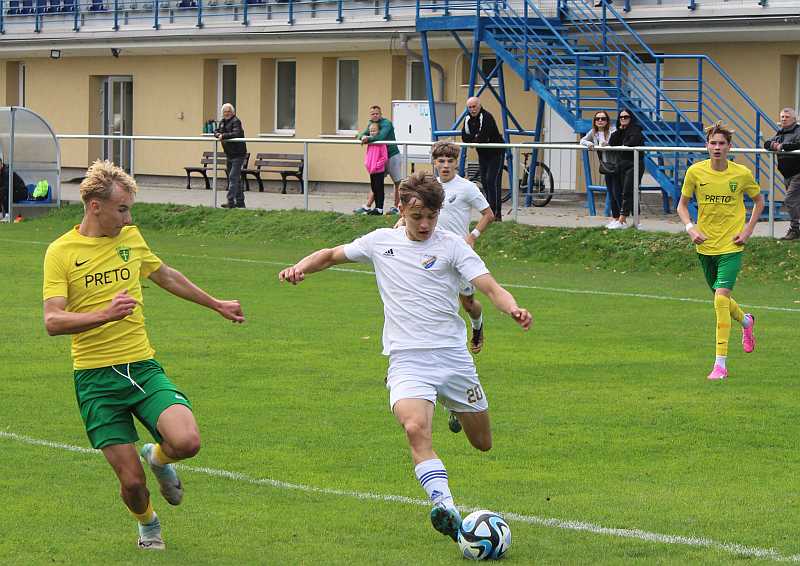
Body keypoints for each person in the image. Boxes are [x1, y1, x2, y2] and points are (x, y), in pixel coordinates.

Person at [278, 171, 531, 542]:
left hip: (453, 357)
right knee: (415, 428)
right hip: (408, 358)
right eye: (417, 217)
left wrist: (513, 309)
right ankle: (446, 506)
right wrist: (300, 267)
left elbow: (489, 288)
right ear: (401, 209)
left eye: (431, 216)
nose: (425, 224)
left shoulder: (453, 246)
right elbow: (331, 255)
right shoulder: (380, 242)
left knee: (482, 443)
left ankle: (449, 403)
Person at [42, 160, 245, 550]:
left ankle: (159, 456)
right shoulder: (61, 252)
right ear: (94, 206)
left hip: (141, 367)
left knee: (187, 442)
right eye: (122, 209)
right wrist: (105, 314)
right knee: (132, 483)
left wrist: (214, 303)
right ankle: (148, 524)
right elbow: (53, 320)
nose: (128, 216)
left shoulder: (131, 238)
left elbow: (164, 274)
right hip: (95, 379)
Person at [676, 123, 764, 380]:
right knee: (721, 299)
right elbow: (682, 205)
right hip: (705, 245)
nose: (717, 147)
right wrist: (690, 227)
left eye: (721, 144)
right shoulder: (695, 172)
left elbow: (759, 201)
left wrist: (747, 231)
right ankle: (746, 322)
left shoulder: (741, 174)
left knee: (719, 300)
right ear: (707, 146)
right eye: (713, 143)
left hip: (732, 245)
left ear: (729, 147)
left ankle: (720, 364)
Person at [461, 97, 505, 221]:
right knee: (485, 182)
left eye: (474, 106)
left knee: (492, 181)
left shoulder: (486, 117)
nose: (472, 109)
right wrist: (475, 138)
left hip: (496, 153)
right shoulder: (468, 119)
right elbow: (464, 137)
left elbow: (483, 137)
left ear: (479, 106)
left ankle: (497, 214)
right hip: (483, 154)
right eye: (470, 107)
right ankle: (489, 212)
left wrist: (475, 139)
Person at [356, 105, 403, 215]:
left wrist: (367, 139)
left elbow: (380, 137)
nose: (375, 115)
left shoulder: (386, 123)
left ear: (381, 114)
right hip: (379, 159)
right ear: (370, 115)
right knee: (376, 182)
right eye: (373, 114)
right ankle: (368, 206)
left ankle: (396, 207)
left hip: (391, 155)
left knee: (397, 182)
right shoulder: (371, 124)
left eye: (377, 113)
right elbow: (362, 134)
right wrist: (362, 137)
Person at [763, 107, 800, 241]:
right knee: (795, 202)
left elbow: (798, 145)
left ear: (794, 119)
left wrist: (782, 147)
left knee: (790, 200)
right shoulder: (780, 132)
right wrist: (774, 145)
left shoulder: (798, 131)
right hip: (787, 174)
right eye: (782, 117)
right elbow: (766, 143)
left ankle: (795, 230)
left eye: (787, 117)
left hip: (798, 173)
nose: (783, 119)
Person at [608, 109, 645, 230]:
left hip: (634, 164)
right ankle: (630, 221)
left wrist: (623, 144)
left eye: (626, 117)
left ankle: (622, 219)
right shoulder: (619, 131)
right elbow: (612, 142)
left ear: (631, 118)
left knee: (629, 191)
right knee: (618, 191)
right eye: (621, 117)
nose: (623, 119)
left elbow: (632, 142)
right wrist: (620, 130)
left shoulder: (636, 129)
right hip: (621, 165)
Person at [580, 111, 618, 228]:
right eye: (597, 119)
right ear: (594, 121)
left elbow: (618, 143)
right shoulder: (594, 132)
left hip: (617, 164)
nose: (600, 121)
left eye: (603, 119)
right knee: (611, 192)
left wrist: (608, 144)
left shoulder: (613, 131)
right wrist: (589, 144)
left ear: (607, 121)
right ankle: (615, 218)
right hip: (607, 166)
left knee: (617, 192)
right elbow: (582, 140)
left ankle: (622, 218)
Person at [214, 103, 247, 209]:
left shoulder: (236, 121)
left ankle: (230, 201)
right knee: (235, 179)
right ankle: (240, 202)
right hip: (229, 154)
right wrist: (218, 134)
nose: (226, 113)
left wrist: (223, 136)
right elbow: (216, 131)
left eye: (228, 111)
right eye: (225, 112)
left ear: (233, 112)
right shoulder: (222, 122)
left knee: (233, 177)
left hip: (238, 154)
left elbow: (236, 133)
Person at [363, 122, 389, 216]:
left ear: (378, 131)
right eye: (370, 131)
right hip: (371, 170)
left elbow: (384, 157)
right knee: (374, 188)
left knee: (379, 188)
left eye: (374, 131)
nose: (372, 133)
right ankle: (376, 208)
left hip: (378, 170)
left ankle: (380, 208)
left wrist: (377, 165)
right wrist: (367, 164)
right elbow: (368, 155)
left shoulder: (381, 143)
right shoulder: (370, 143)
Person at [0, 155, 27, 221]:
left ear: (1, 164)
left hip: (21, 192)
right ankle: (0, 215)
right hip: (12, 191)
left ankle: (7, 215)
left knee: (4, 194)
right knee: (3, 193)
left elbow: (7, 187)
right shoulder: (1, 171)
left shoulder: (7, 171)